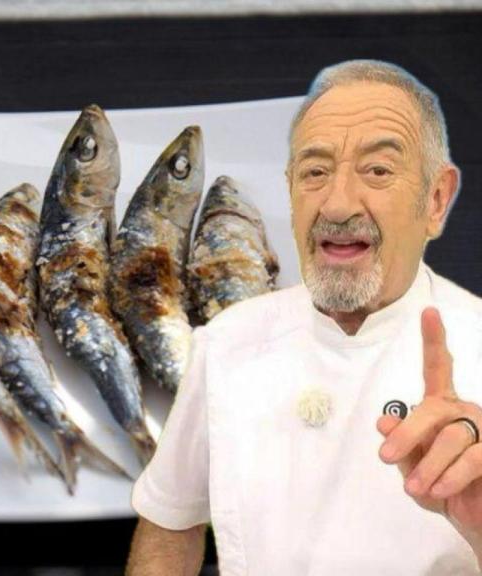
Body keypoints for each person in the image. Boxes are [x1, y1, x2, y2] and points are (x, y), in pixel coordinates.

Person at [126, 59, 482, 575]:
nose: (337, 205)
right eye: (315, 172)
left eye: (377, 171)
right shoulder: (226, 341)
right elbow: (169, 523)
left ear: (436, 199)